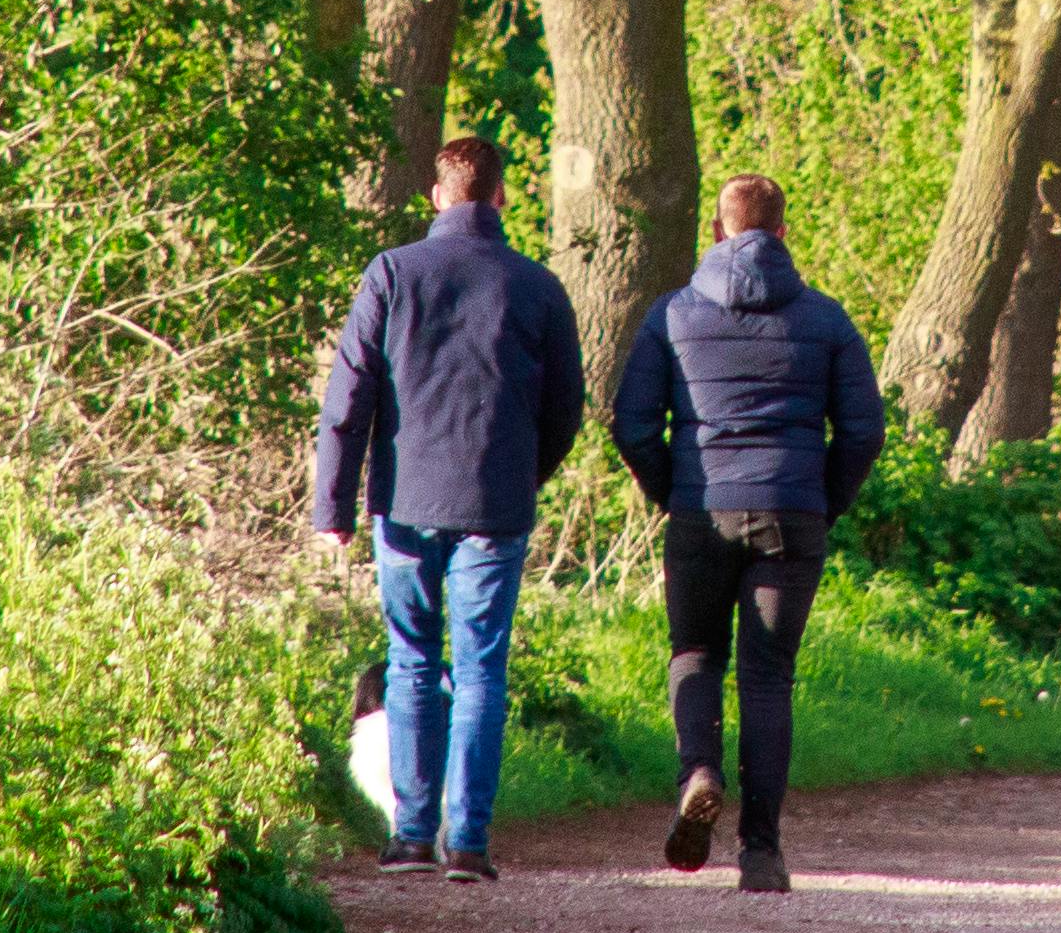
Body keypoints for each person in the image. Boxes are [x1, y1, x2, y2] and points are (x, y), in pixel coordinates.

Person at [313, 132, 592, 880]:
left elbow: (348, 400)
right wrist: (522, 475)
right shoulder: (539, 287)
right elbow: (567, 408)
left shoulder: (392, 273)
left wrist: (332, 508)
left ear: (438, 197)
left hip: (404, 501)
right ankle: (467, 841)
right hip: (495, 504)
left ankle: (411, 835)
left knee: (411, 661)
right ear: (500, 195)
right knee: (480, 671)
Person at [608, 174, 886, 893]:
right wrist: (824, 501)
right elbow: (863, 430)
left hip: (702, 508)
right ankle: (760, 853)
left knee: (695, 654)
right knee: (769, 681)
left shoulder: (671, 316)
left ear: (718, 230)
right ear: (783, 234)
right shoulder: (826, 320)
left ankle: (698, 769)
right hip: (792, 515)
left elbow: (632, 423)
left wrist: (672, 490)